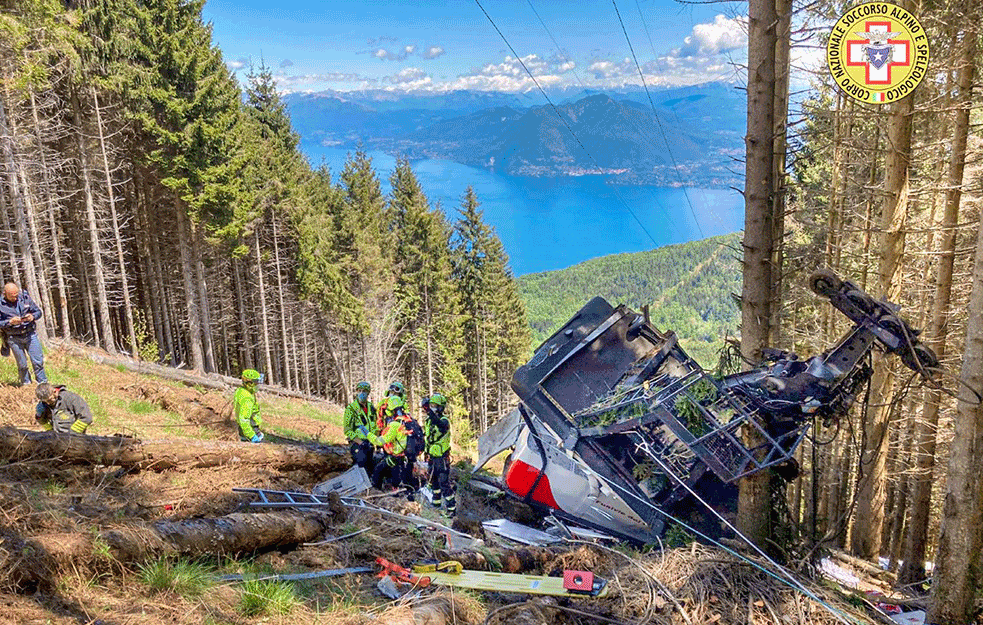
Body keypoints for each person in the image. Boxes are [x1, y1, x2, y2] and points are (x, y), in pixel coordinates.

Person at [0, 282, 47, 386]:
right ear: (5, 294)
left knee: (38, 362)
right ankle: (26, 385)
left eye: (16, 295)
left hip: (30, 334)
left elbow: (38, 312)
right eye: (12, 296)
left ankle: (43, 384)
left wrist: (32, 316)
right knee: (22, 365)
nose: (15, 298)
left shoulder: (25, 298)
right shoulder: (0, 304)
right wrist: (9, 322)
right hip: (13, 337)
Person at [369, 394, 410, 491]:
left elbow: (380, 441)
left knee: (378, 471)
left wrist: (367, 434)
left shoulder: (395, 425)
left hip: (396, 457)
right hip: (404, 457)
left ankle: (376, 493)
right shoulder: (407, 420)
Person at [423, 393, 455, 515]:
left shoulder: (444, 421)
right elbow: (428, 438)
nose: (432, 408)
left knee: (444, 483)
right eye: (431, 405)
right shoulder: (428, 421)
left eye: (435, 406)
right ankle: (436, 503)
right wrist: (426, 452)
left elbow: (440, 425)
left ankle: (451, 508)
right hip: (432, 455)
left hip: (441, 457)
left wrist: (429, 412)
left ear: (441, 407)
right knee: (433, 481)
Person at [343, 381, 377, 474]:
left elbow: (375, 424)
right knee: (361, 466)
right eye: (360, 391)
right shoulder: (351, 409)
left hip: (370, 443)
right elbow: (347, 430)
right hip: (358, 443)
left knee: (371, 468)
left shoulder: (371, 408)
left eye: (364, 391)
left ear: (368, 393)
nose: (362, 393)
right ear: (357, 392)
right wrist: (360, 442)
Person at [235, 369, 266, 442]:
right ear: (249, 383)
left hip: (246, 429)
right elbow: (244, 419)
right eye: (256, 382)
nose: (257, 385)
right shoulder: (246, 398)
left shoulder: (243, 391)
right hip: (250, 430)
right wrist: (252, 436)